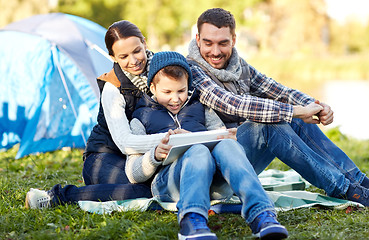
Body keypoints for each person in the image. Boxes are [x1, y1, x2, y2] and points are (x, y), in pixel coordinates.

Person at [187, 8, 369, 207]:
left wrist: (314, 105)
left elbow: (277, 90)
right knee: (268, 124)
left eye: (223, 43)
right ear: (197, 39)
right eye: (208, 43)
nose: (215, 51)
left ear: (234, 40)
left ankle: (359, 181)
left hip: (241, 162)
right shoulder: (190, 71)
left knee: (292, 115)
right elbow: (232, 103)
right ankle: (346, 189)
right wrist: (294, 111)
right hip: (214, 173)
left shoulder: (238, 66)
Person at [126, 51, 289, 240]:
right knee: (197, 150)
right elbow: (133, 174)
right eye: (167, 92)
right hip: (169, 184)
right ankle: (192, 220)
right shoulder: (141, 118)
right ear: (152, 88)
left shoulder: (201, 108)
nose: (176, 99)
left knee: (227, 145)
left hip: (211, 182)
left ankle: (261, 215)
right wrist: (154, 155)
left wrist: (204, 136)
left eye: (181, 90)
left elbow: (220, 136)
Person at [25, 20, 166, 208]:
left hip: (144, 157)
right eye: (123, 56)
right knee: (146, 190)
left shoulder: (164, 72)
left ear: (145, 43)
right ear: (113, 57)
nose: (133, 61)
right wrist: (167, 140)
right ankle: (56, 196)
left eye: (136, 51)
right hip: (104, 157)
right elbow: (124, 142)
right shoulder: (112, 88)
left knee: (163, 184)